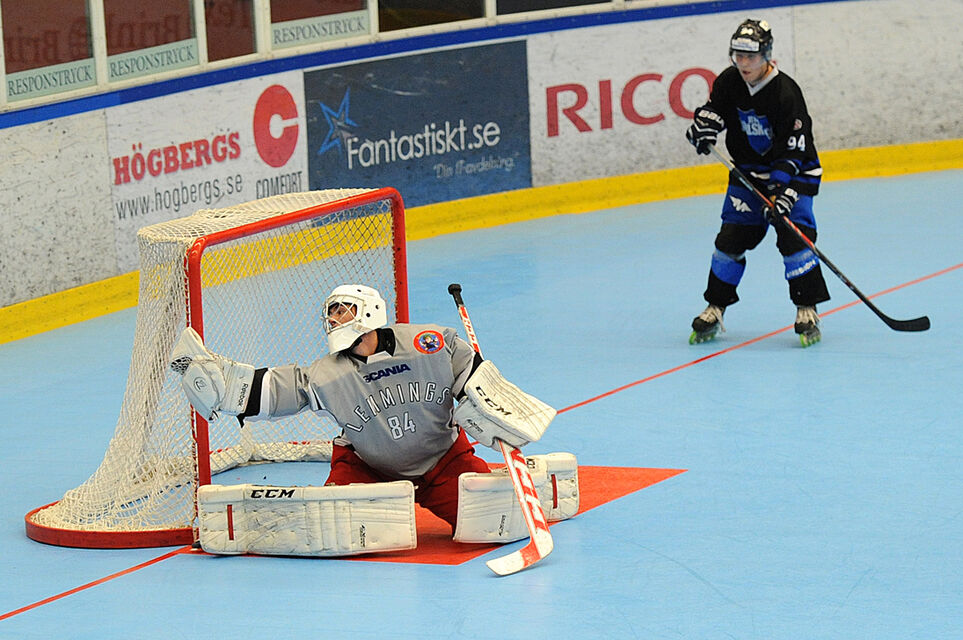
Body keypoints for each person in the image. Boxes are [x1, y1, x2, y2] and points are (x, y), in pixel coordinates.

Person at [169, 284, 577, 556]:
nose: (335, 320)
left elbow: (479, 382)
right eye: (331, 314)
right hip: (366, 468)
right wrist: (226, 388)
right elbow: (273, 391)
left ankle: (538, 481)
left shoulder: (430, 344)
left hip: (442, 462)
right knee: (332, 531)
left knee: (490, 524)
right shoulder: (327, 373)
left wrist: (488, 405)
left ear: (370, 311)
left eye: (343, 311)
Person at [685, 18, 830, 347]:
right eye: (738, 55)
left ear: (766, 55)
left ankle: (807, 308)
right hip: (749, 173)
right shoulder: (729, 81)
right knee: (730, 240)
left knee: (794, 239)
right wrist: (704, 129)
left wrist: (780, 192)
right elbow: (715, 110)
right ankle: (715, 306)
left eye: (750, 56)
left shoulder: (786, 93)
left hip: (794, 173)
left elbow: (794, 150)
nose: (744, 63)